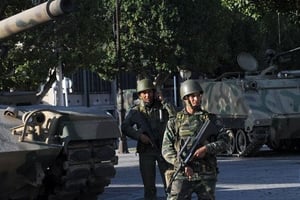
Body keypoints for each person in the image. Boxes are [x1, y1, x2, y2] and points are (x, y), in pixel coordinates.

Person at [161, 79, 231, 200]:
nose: (196, 99)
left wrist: (206, 148)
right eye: (192, 96)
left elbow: (226, 140)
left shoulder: (211, 120)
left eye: (198, 95)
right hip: (182, 174)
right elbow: (166, 149)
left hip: (206, 173)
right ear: (185, 99)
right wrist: (181, 165)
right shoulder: (175, 122)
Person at [121, 78, 176, 200]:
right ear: (140, 95)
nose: (147, 95)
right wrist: (139, 136)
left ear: (154, 92)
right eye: (144, 93)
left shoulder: (162, 106)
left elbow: (176, 118)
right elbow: (124, 127)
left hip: (165, 149)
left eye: (149, 92)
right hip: (146, 150)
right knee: (149, 186)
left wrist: (165, 102)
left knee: (170, 184)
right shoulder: (136, 111)